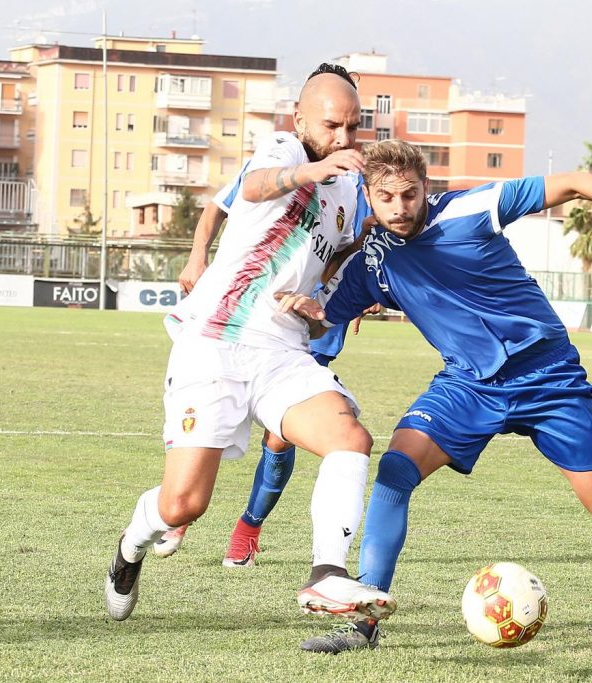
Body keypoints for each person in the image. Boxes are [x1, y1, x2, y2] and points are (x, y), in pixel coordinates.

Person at [272, 139, 592, 653]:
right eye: (386, 197)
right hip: (468, 385)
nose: (399, 207)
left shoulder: (471, 209)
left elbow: (573, 181)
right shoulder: (372, 262)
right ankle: (364, 622)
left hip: (548, 376)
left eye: (409, 195)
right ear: (369, 195)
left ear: (425, 188)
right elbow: (327, 315)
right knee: (395, 469)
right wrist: (304, 305)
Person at [104, 64, 396, 625]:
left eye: (353, 129)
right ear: (301, 118)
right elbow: (257, 188)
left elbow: (325, 277)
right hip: (215, 340)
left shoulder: (351, 194)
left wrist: (336, 292)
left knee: (350, 438)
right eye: (333, 125)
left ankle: (327, 574)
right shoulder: (283, 149)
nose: (344, 139)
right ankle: (130, 547)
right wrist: (315, 167)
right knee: (182, 505)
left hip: (281, 350)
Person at [152, 161, 374, 568]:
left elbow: (342, 256)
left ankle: (248, 531)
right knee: (192, 479)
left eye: (352, 126)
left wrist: (365, 281)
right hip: (247, 320)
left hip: (311, 323)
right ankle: (176, 515)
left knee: (281, 438)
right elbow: (220, 204)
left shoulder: (366, 187)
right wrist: (197, 256)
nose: (344, 136)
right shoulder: (287, 158)